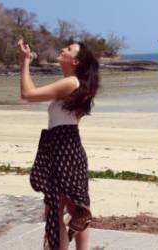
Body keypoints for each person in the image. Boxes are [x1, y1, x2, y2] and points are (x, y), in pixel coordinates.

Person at [18, 38, 99, 250]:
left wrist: (24, 62)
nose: (63, 49)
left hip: (64, 149)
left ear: (76, 62)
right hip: (65, 148)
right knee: (74, 210)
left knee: (58, 211)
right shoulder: (76, 87)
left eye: (69, 49)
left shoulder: (71, 83)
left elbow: (27, 94)